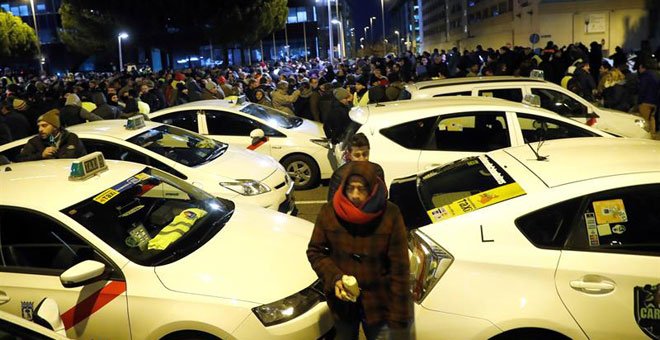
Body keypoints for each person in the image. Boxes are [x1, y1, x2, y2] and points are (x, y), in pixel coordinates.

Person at [307, 161, 413, 340]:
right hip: (342, 303)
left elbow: (400, 267)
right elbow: (315, 251)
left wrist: (399, 316)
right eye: (350, 188)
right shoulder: (329, 212)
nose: (355, 195)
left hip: (379, 302)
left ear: (372, 189)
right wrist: (335, 278)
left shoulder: (390, 214)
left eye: (361, 189)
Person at [327, 133, 385, 201]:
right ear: (349, 155)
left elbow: (382, 197)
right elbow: (332, 202)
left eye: (365, 154)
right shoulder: (339, 175)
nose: (362, 159)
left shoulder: (377, 171)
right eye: (357, 155)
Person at [17, 109, 87, 162]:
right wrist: (41, 155)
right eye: (39, 126)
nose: (40, 129)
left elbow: (83, 157)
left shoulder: (70, 138)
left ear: (55, 127)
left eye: (44, 126)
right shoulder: (35, 142)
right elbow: (20, 160)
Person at [637, 61, 659, 134]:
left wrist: (639, 101)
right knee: (652, 119)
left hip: (645, 101)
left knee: (644, 120)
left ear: (643, 68)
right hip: (655, 102)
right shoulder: (657, 74)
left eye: (639, 68)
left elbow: (642, 89)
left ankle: (644, 135)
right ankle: (652, 134)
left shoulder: (645, 75)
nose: (639, 70)